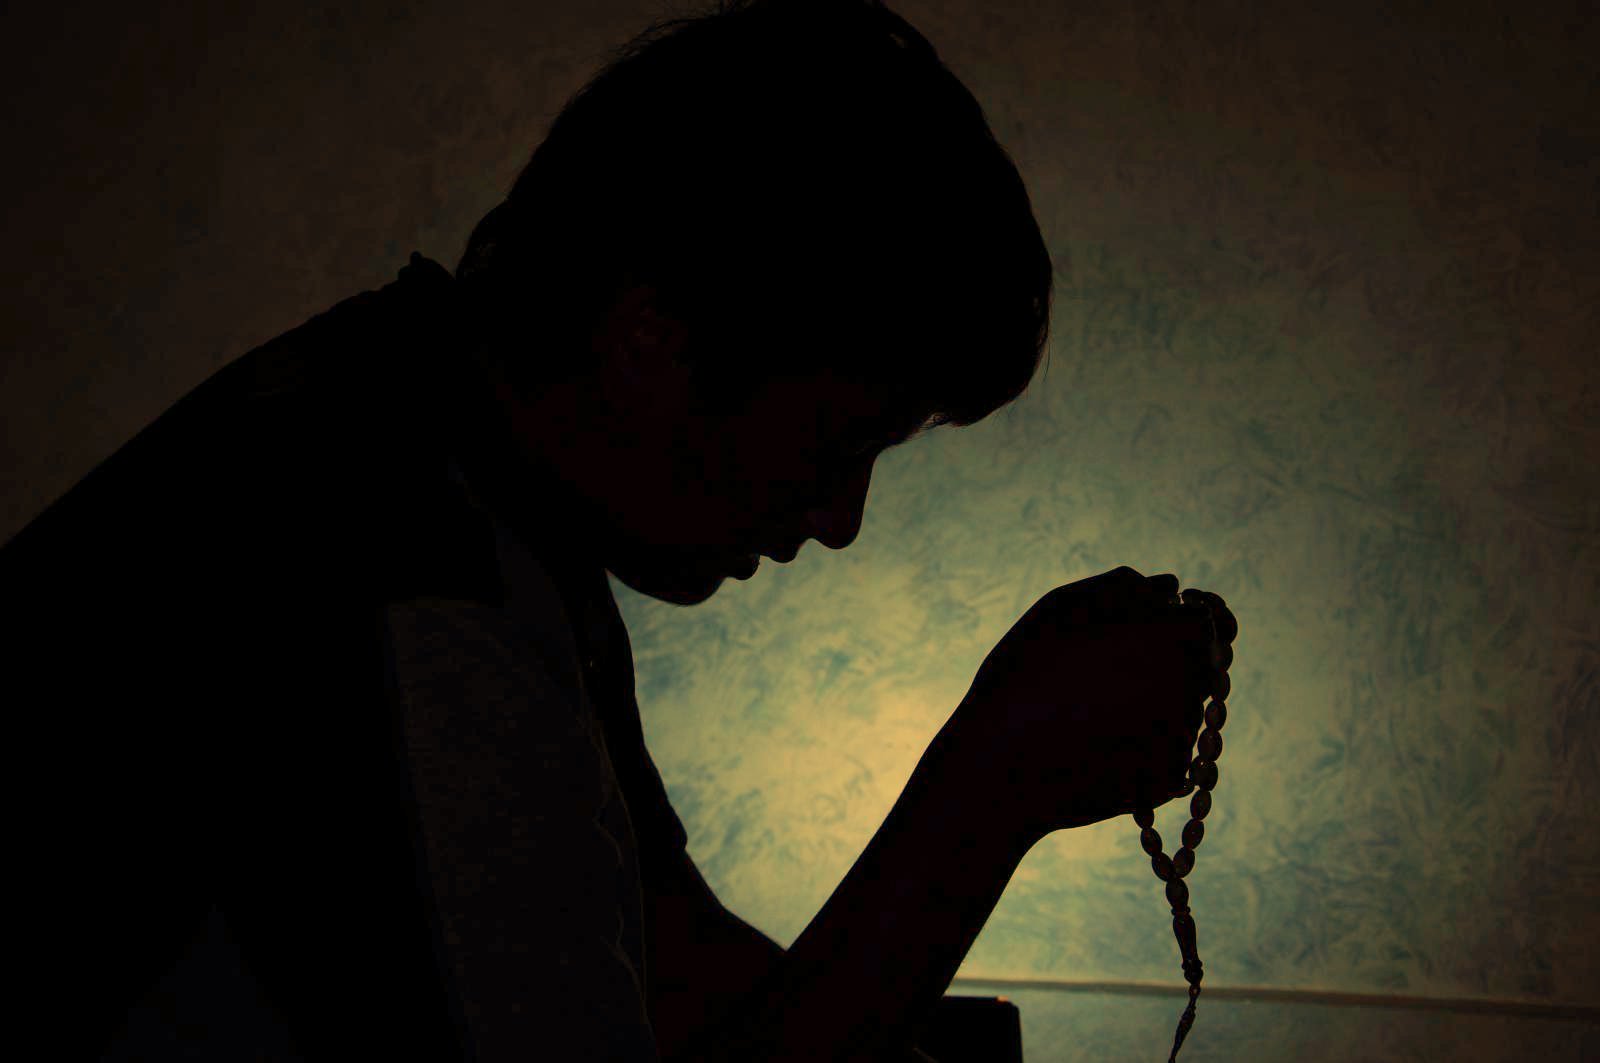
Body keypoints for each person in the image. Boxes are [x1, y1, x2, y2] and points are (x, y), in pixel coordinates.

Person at [7, 1, 1234, 1060]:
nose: (840, 520)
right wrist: (991, 788)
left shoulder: (445, 444)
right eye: (833, 444)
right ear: (651, 342)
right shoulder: (409, 588)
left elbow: (673, 967)